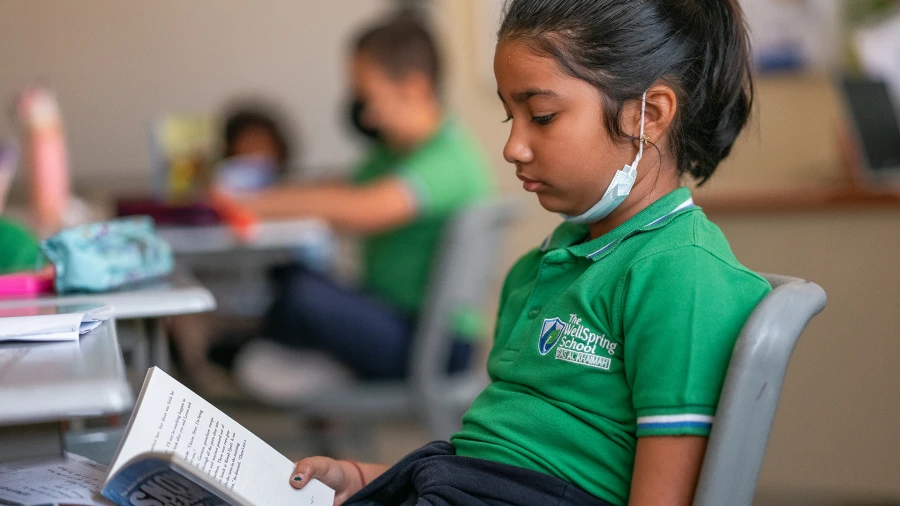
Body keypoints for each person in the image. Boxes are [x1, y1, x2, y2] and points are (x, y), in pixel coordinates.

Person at [288, 1, 771, 505]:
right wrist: (369, 480)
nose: (513, 146)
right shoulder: (541, 268)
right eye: (509, 116)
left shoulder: (679, 273)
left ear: (648, 116)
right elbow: (499, 455)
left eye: (541, 116)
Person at [228, 13, 493, 397]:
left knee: (302, 295)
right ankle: (246, 351)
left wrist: (248, 204)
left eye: (367, 96)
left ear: (413, 88)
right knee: (291, 278)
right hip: (393, 320)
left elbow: (361, 207)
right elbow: (334, 189)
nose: (364, 113)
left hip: (433, 343)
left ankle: (241, 353)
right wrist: (268, 196)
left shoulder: (448, 159)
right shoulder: (392, 154)